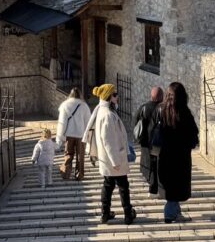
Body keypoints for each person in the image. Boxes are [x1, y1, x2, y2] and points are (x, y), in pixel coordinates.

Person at [84, 83, 137, 225]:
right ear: (108, 96)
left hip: (109, 159)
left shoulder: (105, 110)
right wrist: (115, 162)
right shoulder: (107, 115)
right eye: (115, 94)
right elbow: (108, 141)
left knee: (108, 186)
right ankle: (127, 214)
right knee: (122, 187)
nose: (117, 96)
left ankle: (105, 213)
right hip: (113, 159)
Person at [156, 81, 199, 224]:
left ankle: (177, 213)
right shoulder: (184, 113)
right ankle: (169, 214)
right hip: (180, 157)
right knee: (176, 188)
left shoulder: (161, 110)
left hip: (166, 155)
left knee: (170, 184)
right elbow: (193, 134)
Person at [56, 87, 92, 181]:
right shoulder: (84, 105)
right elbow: (88, 122)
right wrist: (88, 136)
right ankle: (79, 175)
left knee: (68, 154)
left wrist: (59, 137)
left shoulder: (65, 105)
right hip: (81, 135)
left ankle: (66, 173)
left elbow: (62, 122)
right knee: (80, 156)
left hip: (69, 135)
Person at [133, 86, 164, 194]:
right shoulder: (163, 109)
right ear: (161, 97)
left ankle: (151, 185)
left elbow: (136, 122)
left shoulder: (143, 107)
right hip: (157, 143)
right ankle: (156, 187)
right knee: (157, 164)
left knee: (148, 164)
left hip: (145, 142)